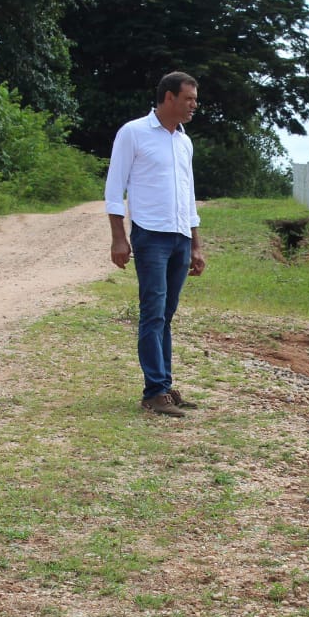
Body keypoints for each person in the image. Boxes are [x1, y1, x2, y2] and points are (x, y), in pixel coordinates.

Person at [104, 71, 207, 418]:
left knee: (166, 315)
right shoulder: (133, 133)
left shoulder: (184, 141)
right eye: (189, 98)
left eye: (195, 99)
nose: (194, 105)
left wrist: (195, 245)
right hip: (150, 236)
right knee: (152, 313)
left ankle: (163, 384)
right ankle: (154, 392)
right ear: (169, 98)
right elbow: (114, 187)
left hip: (179, 236)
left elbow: (189, 196)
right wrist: (119, 237)